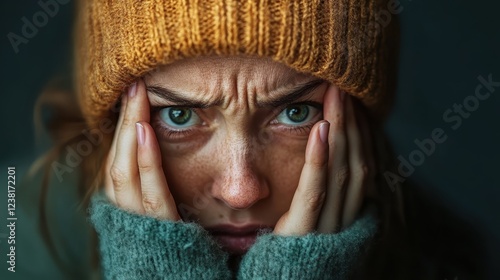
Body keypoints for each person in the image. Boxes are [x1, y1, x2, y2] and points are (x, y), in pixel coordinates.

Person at [14, 0, 412, 279]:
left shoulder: (447, 264)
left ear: (358, 123)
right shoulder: (16, 245)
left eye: (296, 113)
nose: (240, 191)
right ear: (114, 120)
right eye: (179, 116)